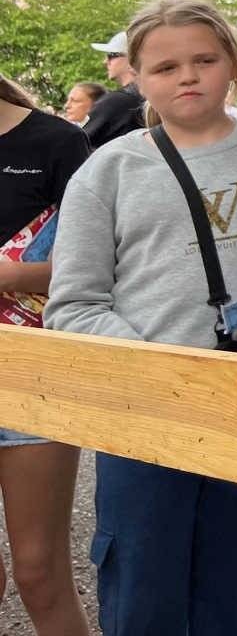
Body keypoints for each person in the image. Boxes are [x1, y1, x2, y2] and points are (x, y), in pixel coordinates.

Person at [45, 0, 237, 636]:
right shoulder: (106, 171)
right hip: (145, 411)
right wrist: (162, 368)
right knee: (142, 592)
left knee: (231, 590)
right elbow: (74, 304)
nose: (188, 76)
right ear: (138, 77)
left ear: (233, 65)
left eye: (205, 59)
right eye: (166, 66)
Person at [0, 74, 89, 636]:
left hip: (33, 372)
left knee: (39, 573)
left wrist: (13, 275)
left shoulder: (56, 142)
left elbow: (97, 263)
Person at [82, 31, 145, 147]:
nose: (105, 62)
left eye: (111, 55)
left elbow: (77, 142)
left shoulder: (115, 102)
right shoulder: (152, 97)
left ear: (131, 58)